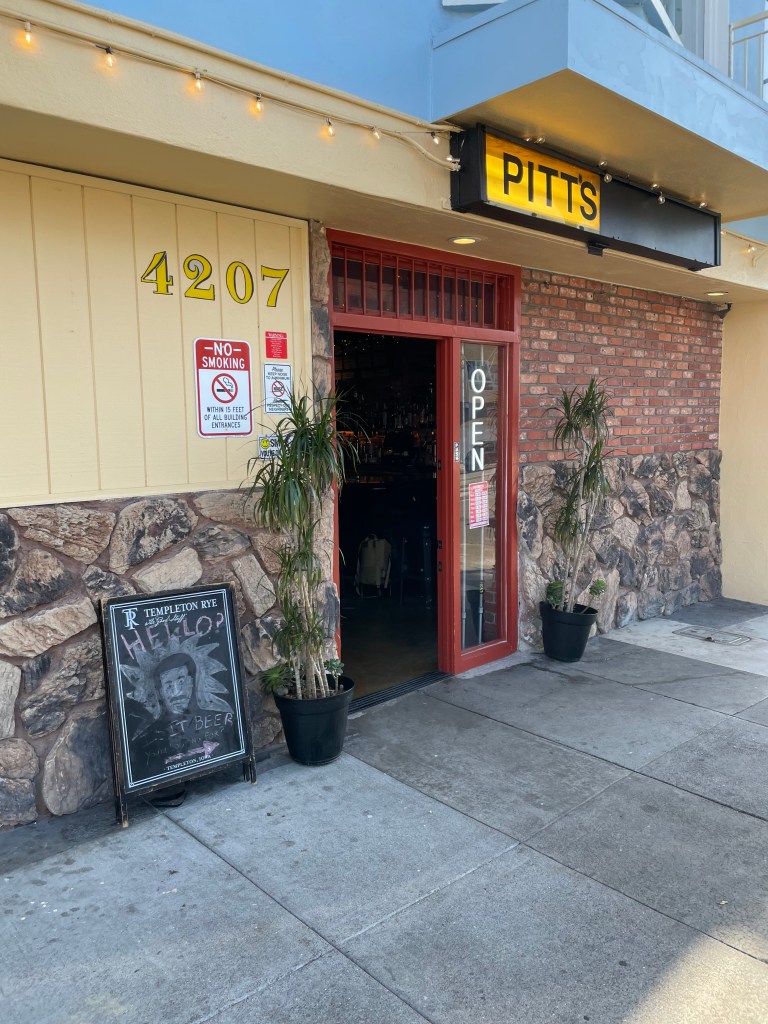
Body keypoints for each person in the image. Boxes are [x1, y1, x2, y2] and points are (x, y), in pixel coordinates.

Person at [129, 653, 237, 783]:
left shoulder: (221, 720)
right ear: (160, 691)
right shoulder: (147, 739)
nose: (176, 692)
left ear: (192, 682)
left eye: (181, 681)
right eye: (168, 685)